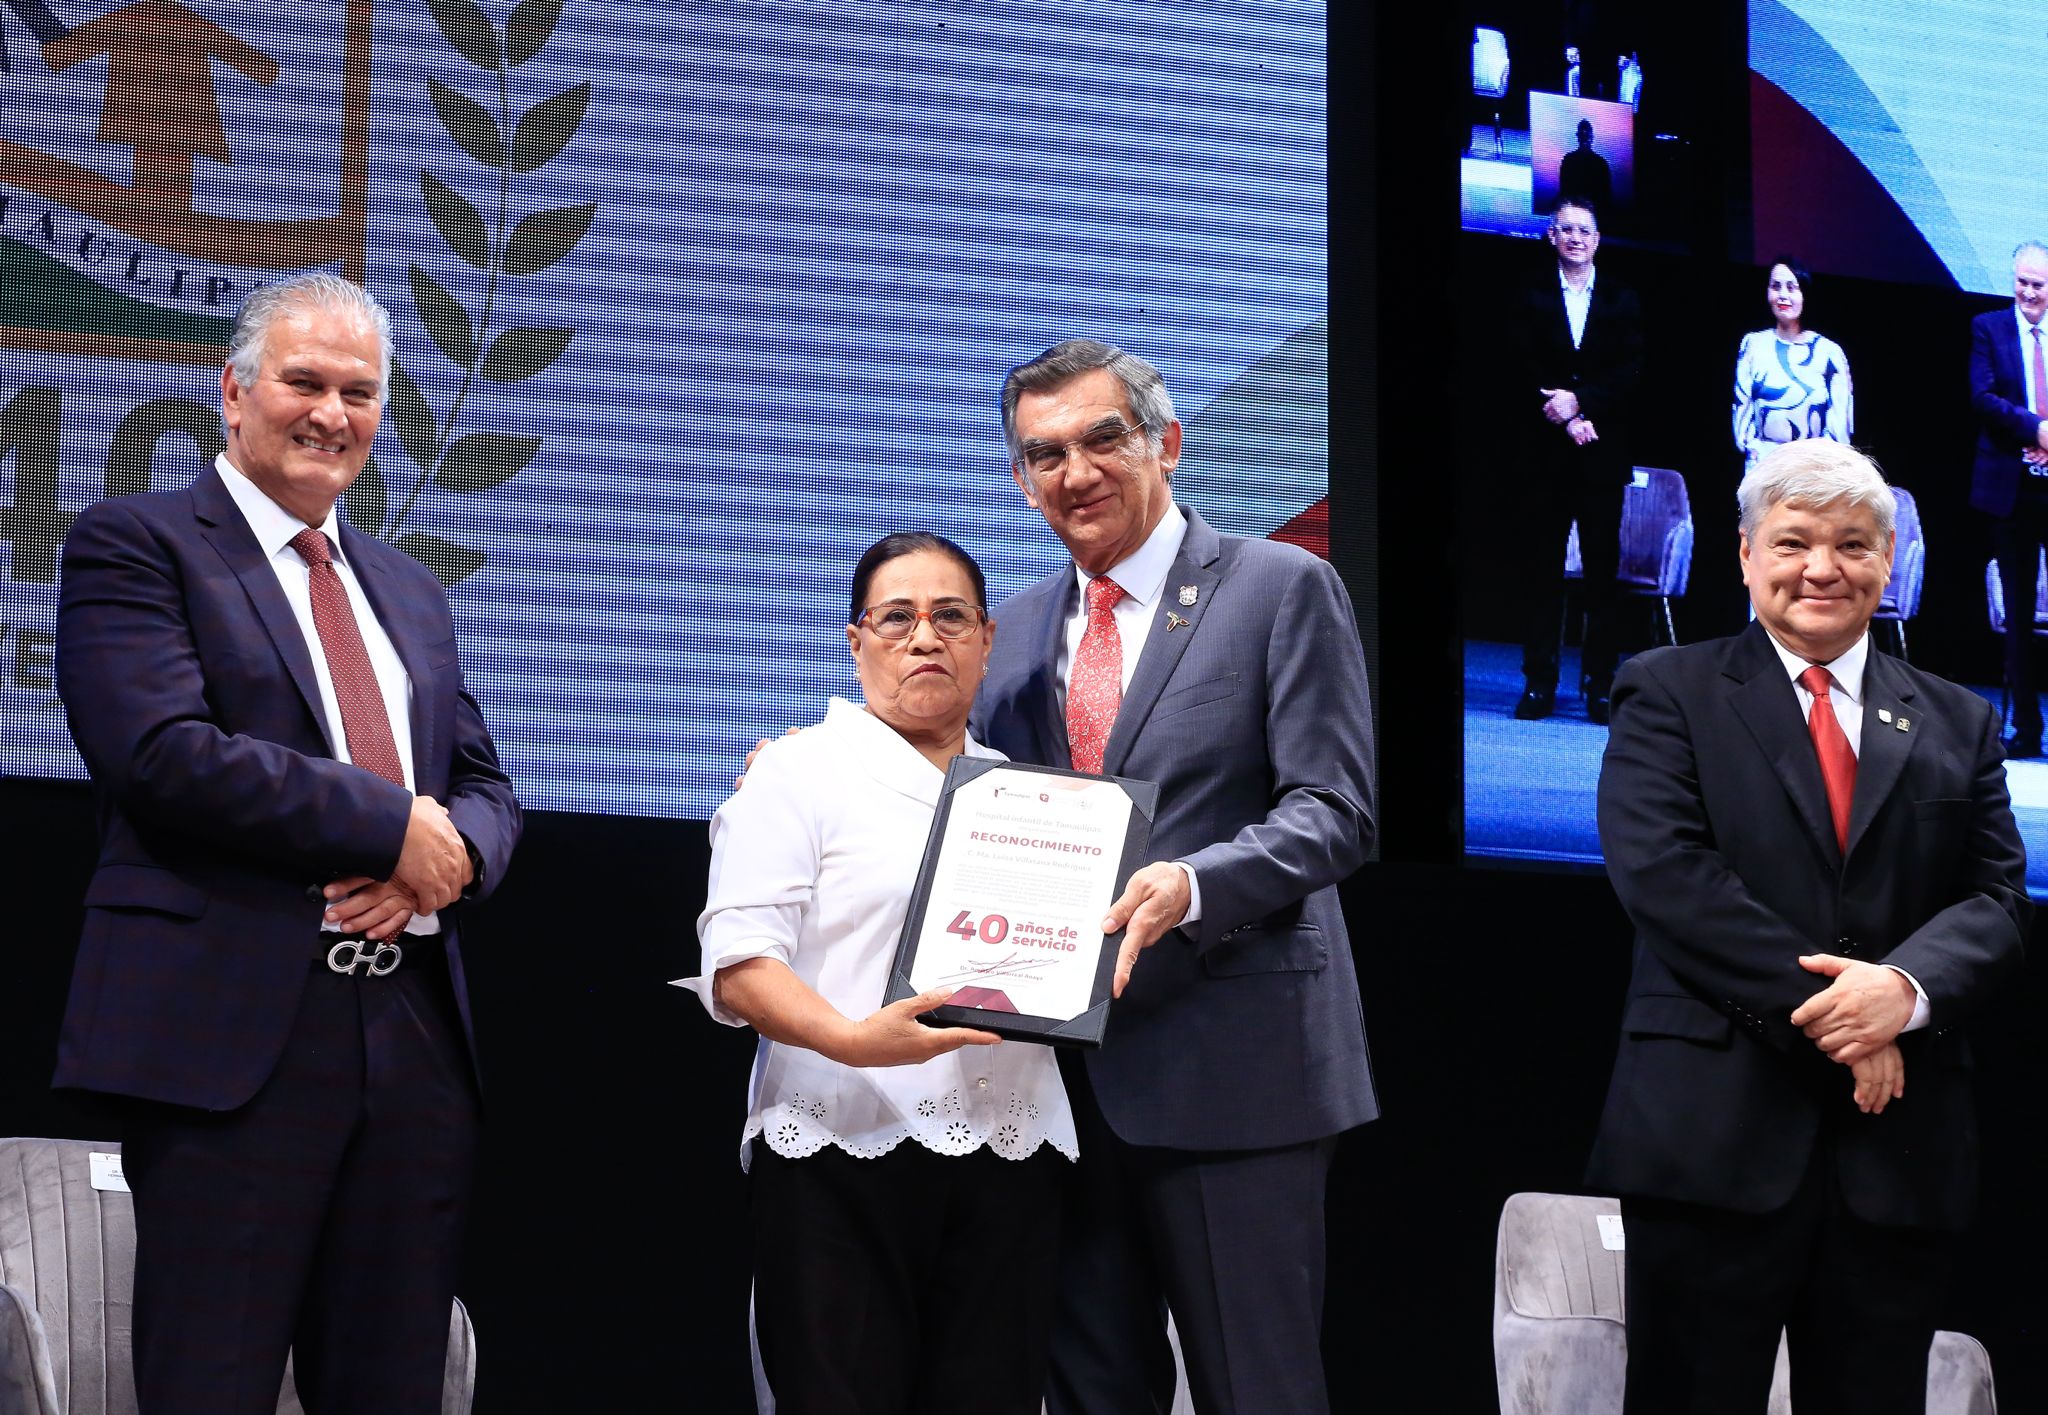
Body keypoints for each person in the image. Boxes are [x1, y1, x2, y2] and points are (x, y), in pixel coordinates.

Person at [53, 271, 522, 1413]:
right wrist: (389, 825)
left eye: (358, 392)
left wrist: (449, 858)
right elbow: (161, 751)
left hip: (410, 1034)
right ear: (233, 391)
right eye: (303, 382)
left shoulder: (407, 588)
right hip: (233, 1033)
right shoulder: (139, 542)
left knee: (391, 1382)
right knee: (210, 1378)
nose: (330, 413)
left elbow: (482, 787)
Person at [974, 339, 1376, 1415]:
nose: (1076, 472)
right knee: (1091, 1394)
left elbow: (1334, 810)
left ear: (1168, 444)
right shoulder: (1011, 629)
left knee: (1258, 1391)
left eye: (1102, 438)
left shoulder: (1280, 584)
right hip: (1061, 1083)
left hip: (1236, 1063)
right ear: (1021, 481)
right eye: (1045, 454)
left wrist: (1192, 886)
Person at [1589, 440, 2028, 1414]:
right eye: (1792, 542)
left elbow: (1995, 898)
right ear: (1745, 553)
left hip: (1896, 1156)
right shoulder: (1665, 690)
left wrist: (1901, 993)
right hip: (1708, 1145)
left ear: (1887, 560)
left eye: (1852, 544)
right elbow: (1667, 877)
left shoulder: (1959, 721)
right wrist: (1848, 1015)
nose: (1822, 567)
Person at [692, 532, 1077, 1414]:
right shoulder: (798, 770)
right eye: (897, 617)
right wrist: (853, 1039)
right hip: (838, 1149)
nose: (925, 637)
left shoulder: (1034, 795)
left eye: (951, 617)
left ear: (987, 638)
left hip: (1010, 1152)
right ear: (856, 639)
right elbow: (739, 964)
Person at [1510, 197, 1643, 723]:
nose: (1575, 238)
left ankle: (1600, 684)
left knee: (1601, 574)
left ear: (1598, 239)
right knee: (1541, 570)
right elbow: (1520, 365)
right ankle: (1539, 682)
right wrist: (1566, 418)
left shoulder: (1621, 297)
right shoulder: (1530, 294)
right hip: (1544, 455)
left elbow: (1631, 371)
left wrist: (1582, 404)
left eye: (1584, 230)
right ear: (1551, 237)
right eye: (1565, 229)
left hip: (1601, 453)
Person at [1969, 239, 2048, 756]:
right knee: (2018, 614)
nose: (2029, 292)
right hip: (2011, 491)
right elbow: (1982, 395)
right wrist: (2036, 429)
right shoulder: (1989, 327)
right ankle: (2026, 729)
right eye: (2022, 282)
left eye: (2038, 284)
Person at [1733, 257, 1853, 473]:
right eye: (1775, 286)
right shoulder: (1752, 344)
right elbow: (1742, 407)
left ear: (1804, 293)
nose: (1783, 295)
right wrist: (1754, 451)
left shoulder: (1829, 352)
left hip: (1812, 470)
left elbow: (1839, 428)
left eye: (1791, 287)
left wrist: (1816, 464)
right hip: (1763, 467)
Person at [1558, 119, 1612, 214]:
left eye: (1587, 134)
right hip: (1573, 212)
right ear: (1578, 136)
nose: (1585, 138)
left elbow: (1606, 195)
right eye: (1582, 134)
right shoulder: (1568, 160)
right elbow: (1564, 191)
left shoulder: (1601, 163)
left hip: (1594, 214)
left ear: (1592, 137)